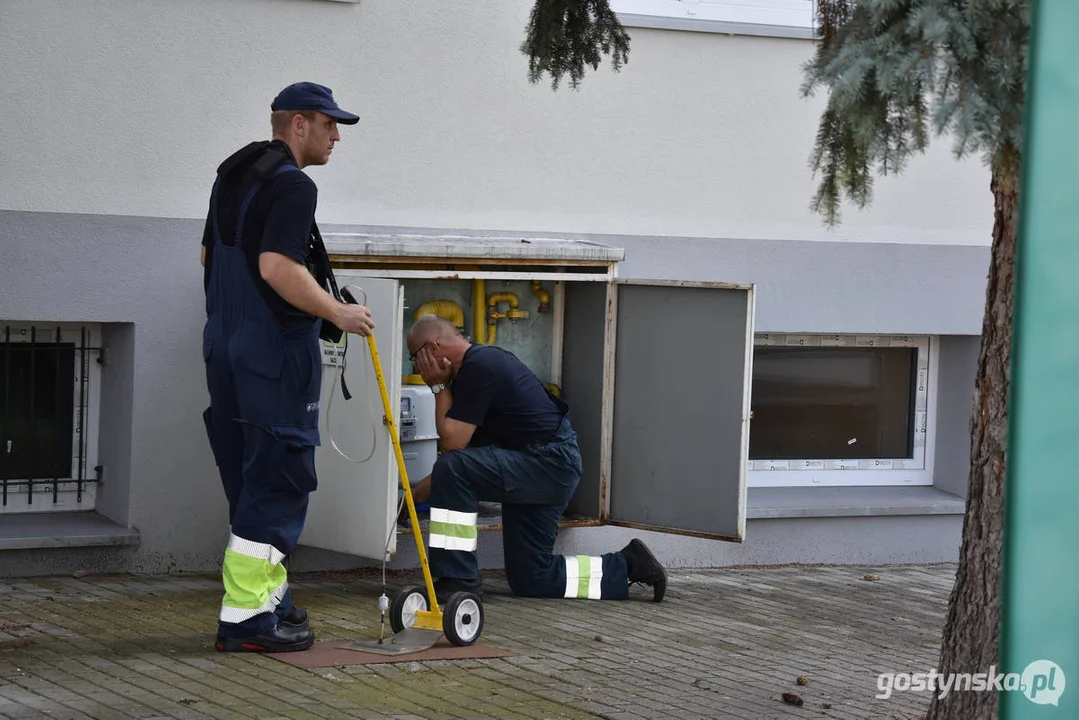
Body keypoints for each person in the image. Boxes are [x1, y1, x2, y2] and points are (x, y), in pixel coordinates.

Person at [200, 82, 375, 653]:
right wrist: (336, 312)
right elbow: (277, 267)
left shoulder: (234, 174)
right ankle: (247, 623)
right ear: (298, 124)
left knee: (249, 479)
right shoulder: (295, 185)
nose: (336, 136)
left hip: (224, 345)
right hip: (274, 351)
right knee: (279, 478)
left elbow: (208, 257)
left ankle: (269, 598)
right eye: (329, 124)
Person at [406, 314, 667, 603]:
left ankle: (456, 579)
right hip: (543, 467)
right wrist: (414, 497)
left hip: (547, 463)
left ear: (431, 348)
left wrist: (438, 387)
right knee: (531, 577)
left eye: (413, 357)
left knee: (452, 466)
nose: (414, 365)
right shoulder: (473, 370)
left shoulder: (479, 366)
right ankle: (628, 565)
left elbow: (454, 444)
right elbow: (461, 461)